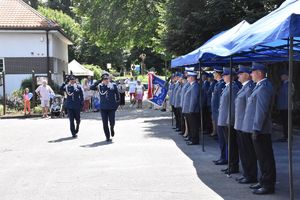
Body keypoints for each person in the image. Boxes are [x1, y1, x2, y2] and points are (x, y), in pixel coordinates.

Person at [243, 62, 276, 195]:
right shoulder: (260, 86)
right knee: (261, 158)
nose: (250, 74)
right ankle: (263, 181)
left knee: (265, 158)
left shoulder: (264, 87)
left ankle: (268, 185)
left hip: (261, 130)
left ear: (259, 73)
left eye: (252, 72)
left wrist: (256, 129)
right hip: (258, 129)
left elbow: (261, 111)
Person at [234, 65, 257, 184]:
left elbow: (250, 109)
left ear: (247, 75)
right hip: (240, 125)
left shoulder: (249, 88)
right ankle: (246, 173)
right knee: (243, 151)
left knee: (248, 152)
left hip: (245, 126)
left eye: (241, 73)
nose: (238, 75)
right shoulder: (244, 87)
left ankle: (250, 175)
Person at [218, 67, 240, 174]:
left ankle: (233, 166)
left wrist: (229, 121)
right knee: (228, 144)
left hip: (228, 121)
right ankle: (230, 165)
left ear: (230, 77)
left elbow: (232, 107)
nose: (223, 77)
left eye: (225, 75)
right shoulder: (228, 87)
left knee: (232, 145)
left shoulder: (233, 88)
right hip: (224, 120)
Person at [90, 73, 120, 142]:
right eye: (104, 79)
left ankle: (112, 128)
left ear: (109, 79)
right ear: (102, 80)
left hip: (112, 108)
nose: (106, 81)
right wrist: (98, 81)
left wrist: (116, 106)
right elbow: (91, 87)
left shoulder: (113, 85)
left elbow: (118, 96)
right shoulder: (100, 86)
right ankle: (107, 136)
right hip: (103, 108)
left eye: (107, 79)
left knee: (112, 122)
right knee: (105, 123)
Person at [211, 66, 226, 165]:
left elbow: (222, 102)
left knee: (223, 139)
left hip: (220, 114)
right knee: (221, 139)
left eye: (214, 73)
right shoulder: (218, 84)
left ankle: (224, 157)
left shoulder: (221, 85)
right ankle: (222, 156)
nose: (213, 75)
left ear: (218, 74)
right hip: (217, 114)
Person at [276, 69, 293, 142]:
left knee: (287, 123)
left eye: (282, 75)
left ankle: (288, 137)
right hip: (283, 107)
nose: (281, 77)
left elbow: (288, 94)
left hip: (287, 107)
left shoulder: (289, 84)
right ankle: (286, 135)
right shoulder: (283, 84)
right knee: (285, 122)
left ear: (286, 76)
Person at [185, 71, 200, 145]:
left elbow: (194, 99)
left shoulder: (195, 86)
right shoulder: (191, 85)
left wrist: (191, 109)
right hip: (189, 110)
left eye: (188, 77)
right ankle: (191, 138)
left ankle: (194, 140)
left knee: (194, 126)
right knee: (191, 125)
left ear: (192, 77)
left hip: (192, 110)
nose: (187, 78)